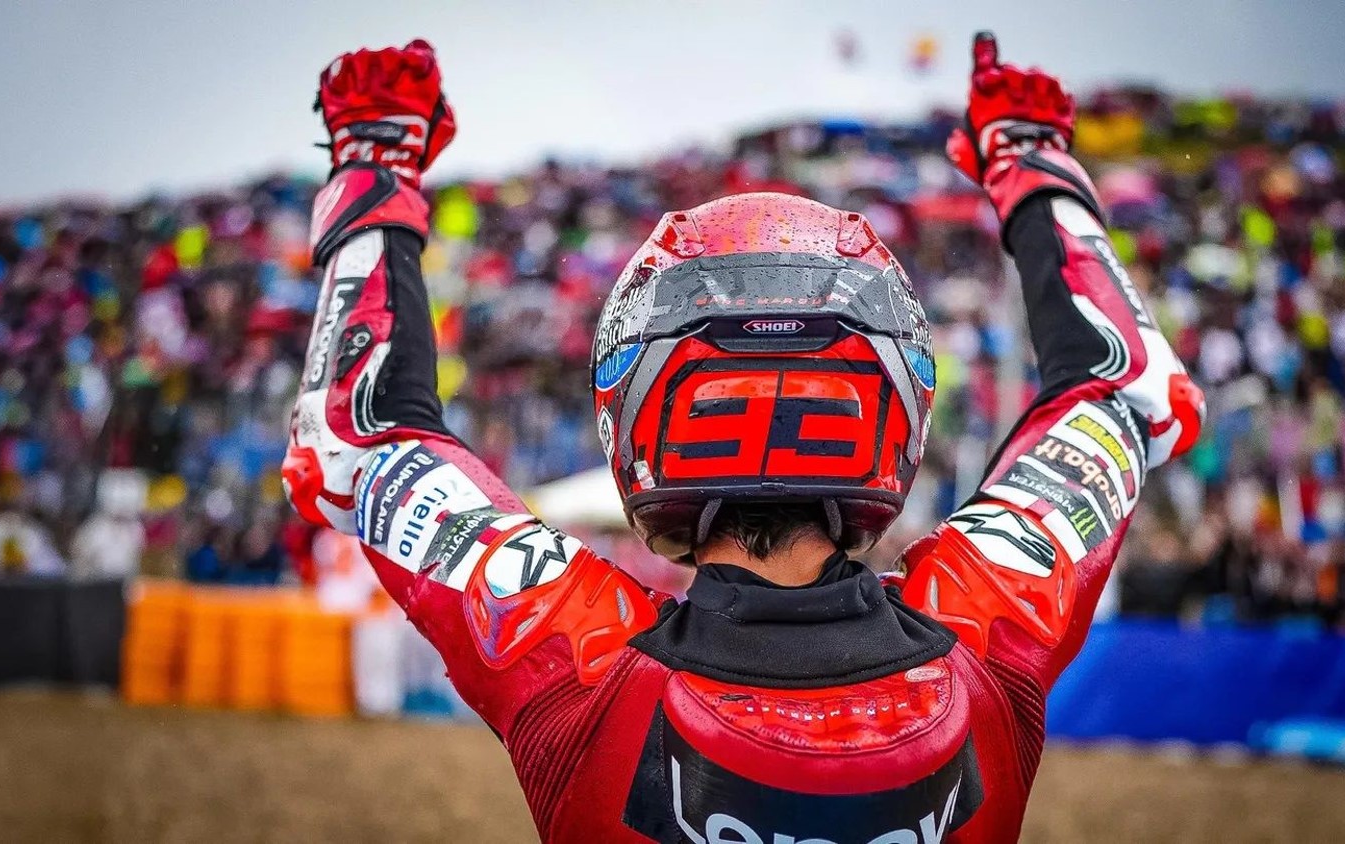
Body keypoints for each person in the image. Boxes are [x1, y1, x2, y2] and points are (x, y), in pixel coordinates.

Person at [282, 33, 1204, 842]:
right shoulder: (983, 634)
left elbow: (361, 435)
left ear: (646, 413)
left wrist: (374, 164)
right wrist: (1033, 165)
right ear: (887, 410)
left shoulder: (578, 660)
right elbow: (1125, 392)